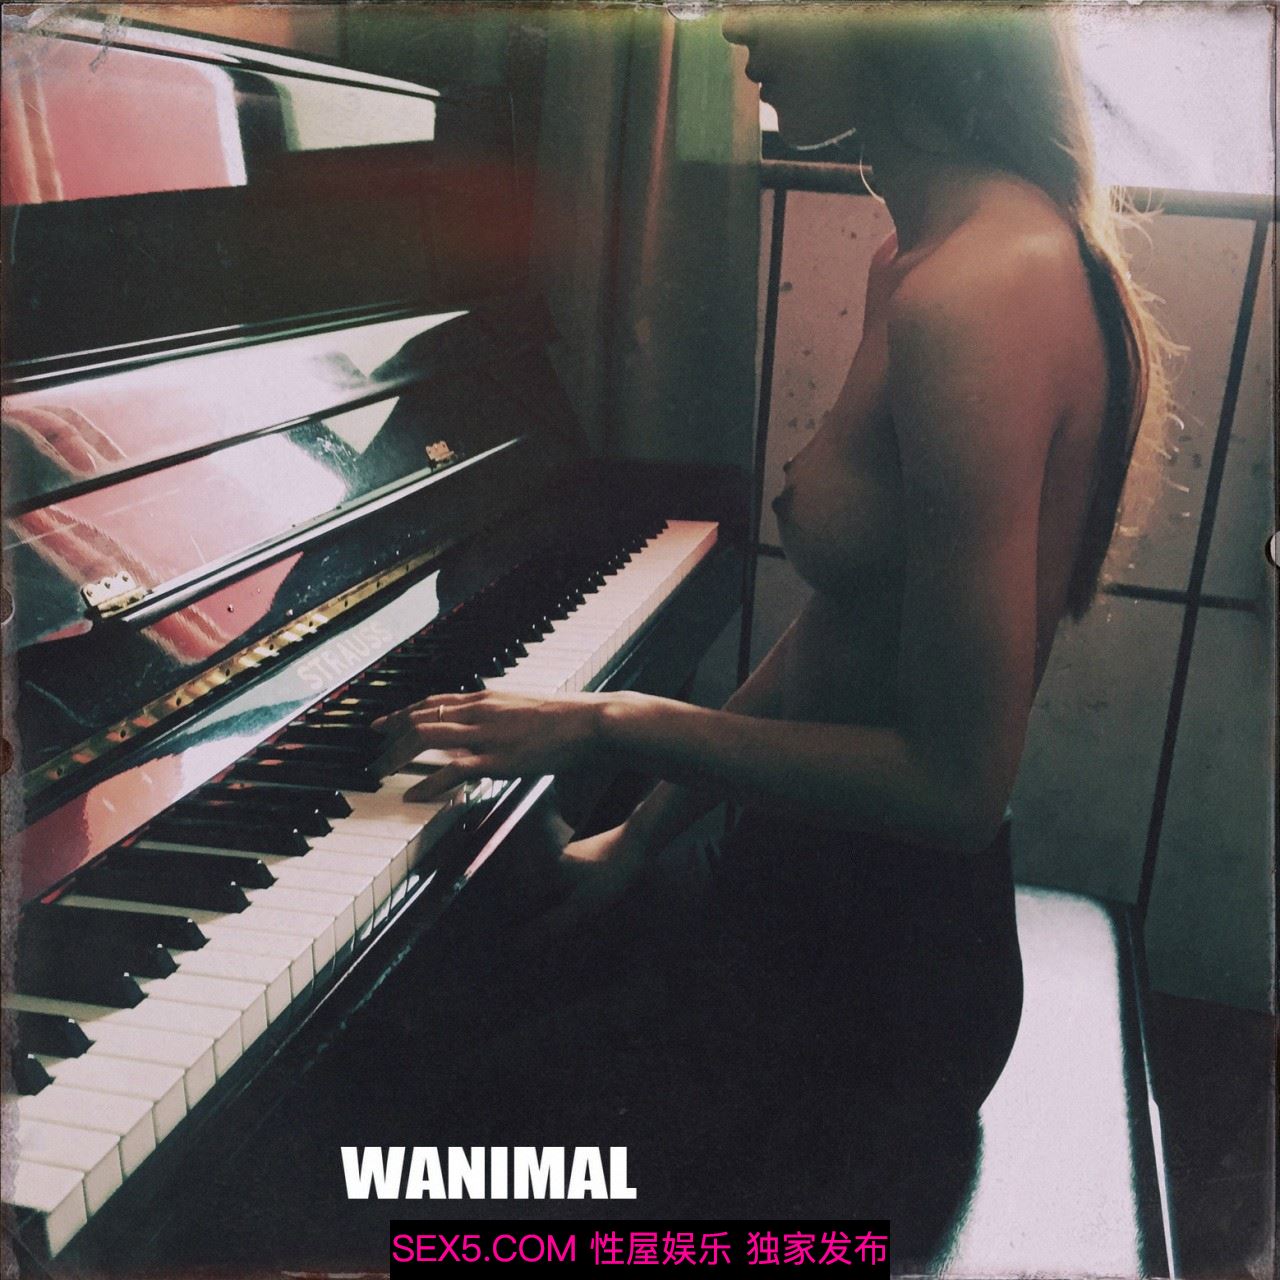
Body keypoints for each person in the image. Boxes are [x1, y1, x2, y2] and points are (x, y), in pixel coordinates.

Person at [372, 1, 1169, 1231]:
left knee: (427, 1166)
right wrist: (634, 837)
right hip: (791, 897)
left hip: (877, 989)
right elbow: (849, 621)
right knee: (450, 1027)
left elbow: (955, 787)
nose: (737, 23)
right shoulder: (915, 255)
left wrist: (609, 722)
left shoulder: (979, 292)